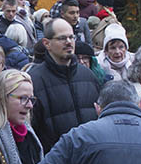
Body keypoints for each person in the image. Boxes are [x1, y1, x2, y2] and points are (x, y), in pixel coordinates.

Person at [29, 17, 101, 153]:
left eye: (71, 37)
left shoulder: (88, 76)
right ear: (47, 43)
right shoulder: (35, 81)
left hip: (90, 159)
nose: (69, 42)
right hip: (55, 163)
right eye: (62, 38)